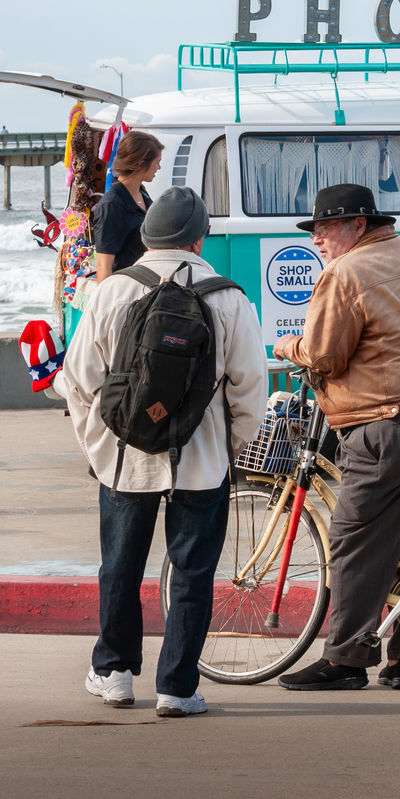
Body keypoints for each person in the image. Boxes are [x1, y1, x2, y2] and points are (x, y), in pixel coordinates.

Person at [63, 187, 266, 717]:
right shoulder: (229, 297)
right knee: (193, 572)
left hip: (125, 459)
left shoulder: (111, 292)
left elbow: (79, 380)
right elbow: (248, 390)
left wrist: (100, 445)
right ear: (200, 237)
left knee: (121, 567)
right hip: (201, 463)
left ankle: (114, 675)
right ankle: (177, 687)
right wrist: (226, 448)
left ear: (146, 236)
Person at [273, 183, 400, 692]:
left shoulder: (345, 272)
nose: (317, 239)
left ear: (357, 226)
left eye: (324, 228)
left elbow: (325, 355)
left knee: (356, 540)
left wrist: (286, 345)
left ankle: (345, 661)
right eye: (314, 230)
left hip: (388, 421)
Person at [93, 131, 163, 280]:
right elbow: (104, 267)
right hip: (124, 291)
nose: (159, 167)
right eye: (157, 162)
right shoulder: (112, 205)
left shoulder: (142, 194)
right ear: (140, 162)